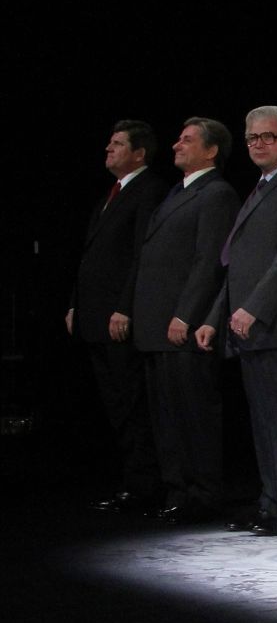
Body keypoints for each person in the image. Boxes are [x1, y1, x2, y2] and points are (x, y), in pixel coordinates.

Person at [195, 106, 277, 536]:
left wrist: (255, 307)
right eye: (252, 138)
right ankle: (273, 501)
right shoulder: (260, 188)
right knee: (265, 423)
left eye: (268, 137)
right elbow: (236, 264)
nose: (259, 144)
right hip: (249, 328)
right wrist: (217, 316)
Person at [130, 117, 240, 524]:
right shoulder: (179, 192)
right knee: (167, 418)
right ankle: (178, 491)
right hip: (157, 328)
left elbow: (209, 261)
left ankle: (203, 495)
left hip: (184, 327)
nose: (177, 145)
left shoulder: (216, 193)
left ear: (211, 151)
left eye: (187, 140)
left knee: (194, 417)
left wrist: (186, 314)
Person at [69, 120, 164, 513]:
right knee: (113, 406)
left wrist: (124, 307)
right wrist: (75, 302)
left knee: (131, 405)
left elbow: (140, 257)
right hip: (93, 316)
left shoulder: (148, 190)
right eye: (109, 142)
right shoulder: (111, 194)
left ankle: (143, 486)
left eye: (118, 143)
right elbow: (91, 256)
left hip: (118, 318)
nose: (108, 149)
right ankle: (130, 480)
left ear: (139, 153)